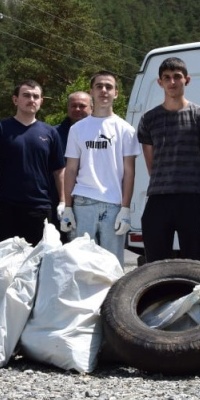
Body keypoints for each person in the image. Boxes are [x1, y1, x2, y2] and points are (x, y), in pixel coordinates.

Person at [136, 57, 200, 262]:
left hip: (192, 198)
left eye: (177, 77)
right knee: (155, 261)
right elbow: (151, 165)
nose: (172, 82)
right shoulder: (148, 119)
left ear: (186, 80)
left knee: (195, 260)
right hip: (158, 199)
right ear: (160, 82)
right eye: (167, 77)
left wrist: (196, 186)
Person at [61, 71, 140, 266]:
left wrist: (125, 208)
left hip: (113, 206)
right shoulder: (77, 129)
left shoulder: (126, 130)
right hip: (82, 204)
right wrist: (68, 207)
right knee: (82, 267)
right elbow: (70, 169)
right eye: (99, 86)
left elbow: (129, 171)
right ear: (92, 92)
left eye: (109, 87)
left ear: (116, 93)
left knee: (112, 268)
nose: (104, 90)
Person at [0, 80, 65, 246]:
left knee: (36, 263)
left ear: (41, 101)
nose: (32, 99)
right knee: (1, 264)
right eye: (26, 95)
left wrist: (63, 202)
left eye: (36, 96)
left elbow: (59, 170)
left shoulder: (50, 132)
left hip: (38, 207)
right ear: (15, 100)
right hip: (4, 206)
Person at [53, 91, 92, 241]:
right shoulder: (53, 133)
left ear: (91, 108)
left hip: (90, 199)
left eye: (82, 106)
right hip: (58, 202)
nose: (77, 109)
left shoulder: (100, 133)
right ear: (68, 108)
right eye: (73, 106)